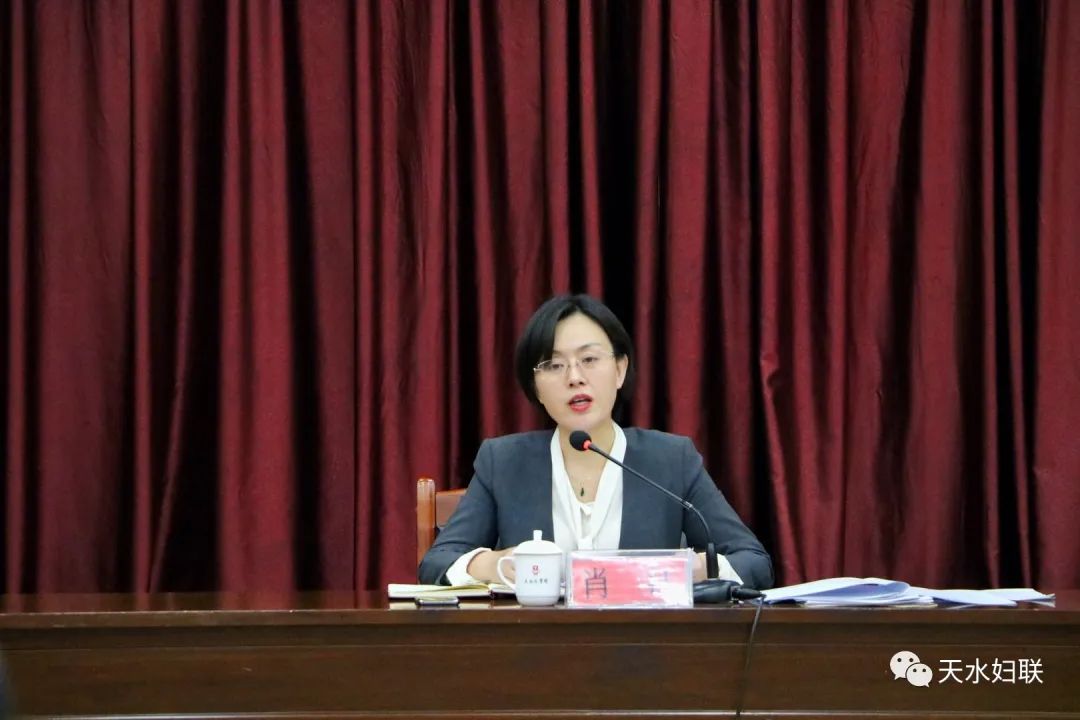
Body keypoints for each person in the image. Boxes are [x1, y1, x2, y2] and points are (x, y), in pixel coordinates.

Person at [418, 294, 773, 589]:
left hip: (645, 646)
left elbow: (754, 562)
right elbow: (437, 563)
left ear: (619, 370)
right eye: (554, 365)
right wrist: (498, 564)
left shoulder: (671, 460)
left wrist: (694, 569)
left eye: (589, 359)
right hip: (534, 646)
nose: (575, 377)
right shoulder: (503, 462)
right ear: (536, 387)